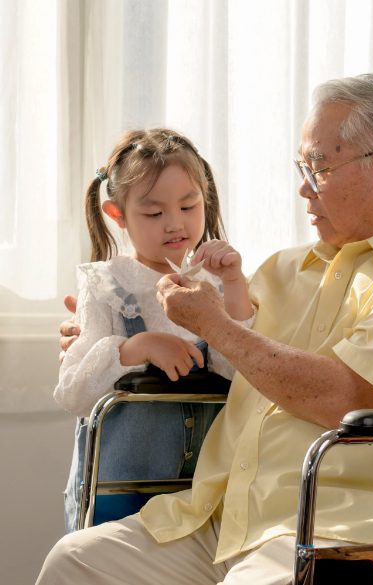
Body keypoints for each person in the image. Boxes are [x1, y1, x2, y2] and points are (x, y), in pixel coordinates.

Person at [38, 73, 373, 585]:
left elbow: (346, 398)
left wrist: (215, 326)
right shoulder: (286, 268)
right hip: (224, 520)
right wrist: (111, 342)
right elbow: (214, 349)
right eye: (301, 168)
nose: (303, 188)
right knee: (75, 562)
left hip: (346, 533)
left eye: (318, 168)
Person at [53, 128, 254, 533]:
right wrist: (136, 347)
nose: (175, 224)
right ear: (118, 215)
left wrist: (234, 286)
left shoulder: (214, 283)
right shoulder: (106, 284)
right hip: (119, 488)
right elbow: (73, 389)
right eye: (154, 213)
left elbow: (243, 375)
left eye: (188, 205)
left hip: (200, 489)